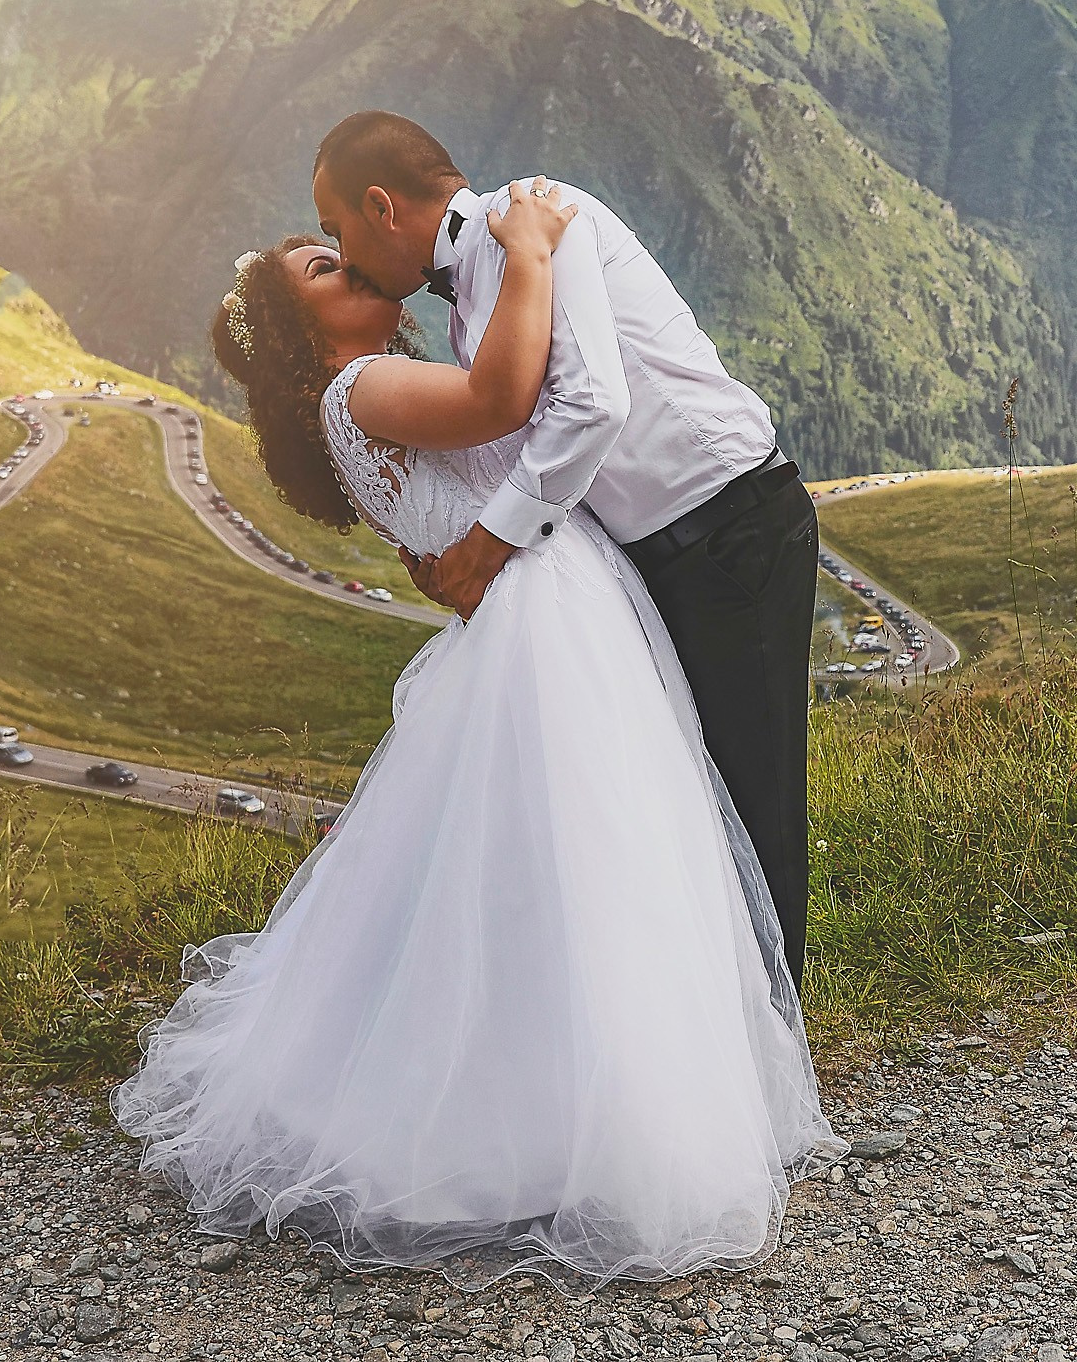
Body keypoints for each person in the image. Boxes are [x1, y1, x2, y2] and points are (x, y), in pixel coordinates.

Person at [110, 183, 841, 1287]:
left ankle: (574, 1085)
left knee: (560, 869)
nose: (345, 266)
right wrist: (538, 251)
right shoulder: (364, 385)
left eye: (339, 251)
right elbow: (506, 396)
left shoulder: (361, 389)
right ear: (308, 335)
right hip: (547, 623)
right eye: (323, 270)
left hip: (552, 605)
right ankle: (566, 1114)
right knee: (592, 858)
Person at [309, 111, 820, 985]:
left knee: (754, 798)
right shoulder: (482, 301)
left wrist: (482, 546)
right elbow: (510, 436)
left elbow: (592, 406)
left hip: (733, 527)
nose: (346, 255)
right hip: (659, 558)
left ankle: (777, 1048)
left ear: (382, 207)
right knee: (687, 810)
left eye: (337, 230)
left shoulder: (536, 218)